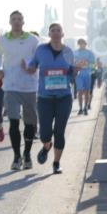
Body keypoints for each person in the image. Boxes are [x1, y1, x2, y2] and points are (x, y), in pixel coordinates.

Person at [25, 24, 75, 174]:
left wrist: (76, 70)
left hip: (64, 97)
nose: (56, 33)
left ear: (63, 34)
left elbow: (72, 73)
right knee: (45, 134)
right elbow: (32, 65)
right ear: (49, 34)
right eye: (53, 30)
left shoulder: (68, 51)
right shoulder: (41, 50)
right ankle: (47, 146)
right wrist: (28, 69)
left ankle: (56, 163)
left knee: (59, 131)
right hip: (45, 98)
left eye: (58, 30)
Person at [0, 12, 40, 170]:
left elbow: (38, 59)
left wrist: (31, 67)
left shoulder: (32, 40)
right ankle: (16, 156)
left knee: (30, 122)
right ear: (9, 22)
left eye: (19, 19)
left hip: (29, 85)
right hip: (10, 85)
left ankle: (27, 154)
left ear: (23, 22)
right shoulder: (3, 39)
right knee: (13, 121)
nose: (16, 22)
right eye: (14, 19)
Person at [73, 39, 96, 115]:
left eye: (83, 44)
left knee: (87, 91)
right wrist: (75, 69)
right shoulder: (75, 53)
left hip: (87, 74)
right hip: (79, 75)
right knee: (79, 91)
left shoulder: (90, 53)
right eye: (80, 44)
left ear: (85, 44)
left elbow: (93, 64)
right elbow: (73, 63)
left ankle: (85, 107)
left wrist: (92, 72)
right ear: (78, 44)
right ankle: (80, 108)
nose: (81, 45)